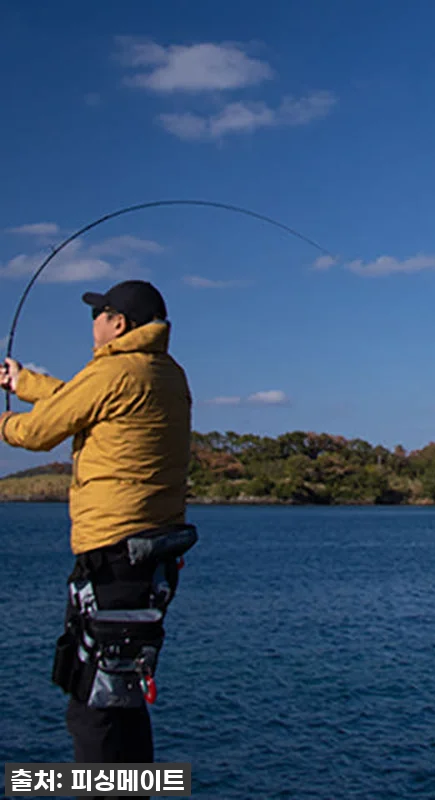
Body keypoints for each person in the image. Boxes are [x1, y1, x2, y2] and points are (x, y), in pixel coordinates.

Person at [0, 280, 194, 784]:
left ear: (119, 323)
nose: (93, 323)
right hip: (149, 556)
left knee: (93, 705)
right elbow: (79, 399)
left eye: (98, 314)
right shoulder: (167, 374)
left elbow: (41, 431)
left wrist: (5, 422)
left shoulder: (112, 370)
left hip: (111, 554)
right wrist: (25, 383)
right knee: (122, 694)